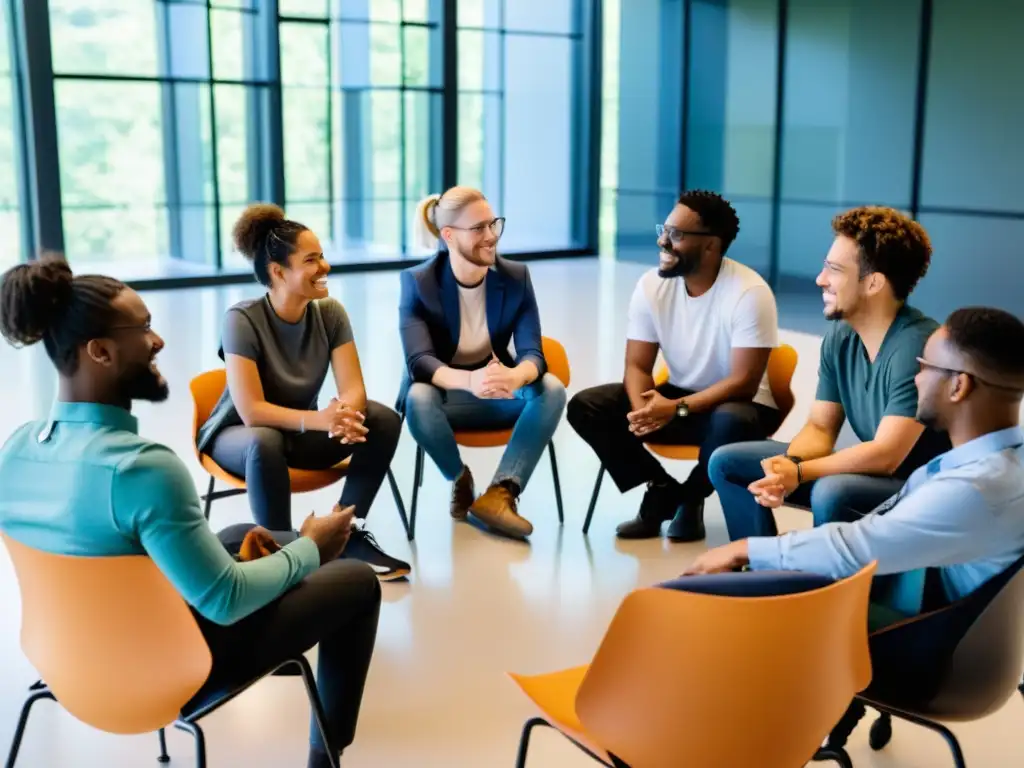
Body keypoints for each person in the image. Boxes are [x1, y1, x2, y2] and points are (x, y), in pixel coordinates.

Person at [0, 257, 380, 768]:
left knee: (248, 531)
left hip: (63, 657)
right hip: (156, 670)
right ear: (100, 351)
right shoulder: (142, 469)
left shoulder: (17, 448)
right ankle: (324, 759)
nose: (158, 343)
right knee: (356, 581)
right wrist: (314, 547)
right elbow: (224, 600)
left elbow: (109, 558)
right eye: (144, 330)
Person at [684, 306, 1024, 631]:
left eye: (925, 366)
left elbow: (857, 548)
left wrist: (745, 549)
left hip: (911, 636)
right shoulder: (1002, 463)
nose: (916, 379)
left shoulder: (974, 489)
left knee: (716, 603)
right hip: (923, 604)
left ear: (958, 385)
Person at [709, 206, 951, 541]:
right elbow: (821, 427)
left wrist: (800, 472)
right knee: (727, 462)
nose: (820, 279)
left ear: (874, 283)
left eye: (834, 270)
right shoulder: (841, 335)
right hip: (877, 476)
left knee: (832, 492)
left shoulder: (918, 345)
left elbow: (886, 455)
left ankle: (826, 586)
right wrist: (788, 466)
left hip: (920, 487)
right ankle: (759, 570)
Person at [196, 204, 409, 581]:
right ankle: (277, 551)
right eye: (311, 260)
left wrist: (346, 416)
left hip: (297, 433)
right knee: (264, 440)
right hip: (239, 437)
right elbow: (251, 411)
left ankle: (343, 530)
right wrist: (322, 419)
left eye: (322, 257)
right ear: (278, 272)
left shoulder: (330, 313)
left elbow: (353, 387)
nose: (324, 267)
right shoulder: (241, 320)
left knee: (382, 419)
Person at [566, 190, 781, 541]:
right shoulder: (651, 286)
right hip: (678, 399)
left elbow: (743, 382)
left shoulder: (749, 292)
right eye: (663, 230)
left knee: (731, 419)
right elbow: (637, 365)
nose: (662, 240)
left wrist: (674, 410)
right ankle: (661, 486)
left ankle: (691, 498)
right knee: (587, 406)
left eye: (676, 235)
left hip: (741, 408)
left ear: (711, 246)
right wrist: (643, 411)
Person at [397, 186, 567, 540]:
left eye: (493, 225)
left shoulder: (515, 277)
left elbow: (532, 351)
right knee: (418, 398)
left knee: (550, 389)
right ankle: (460, 480)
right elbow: (420, 361)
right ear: (448, 235)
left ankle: (501, 492)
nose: (491, 237)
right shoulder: (419, 283)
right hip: (447, 399)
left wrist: (516, 375)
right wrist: (469, 381)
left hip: (499, 392)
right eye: (478, 229)